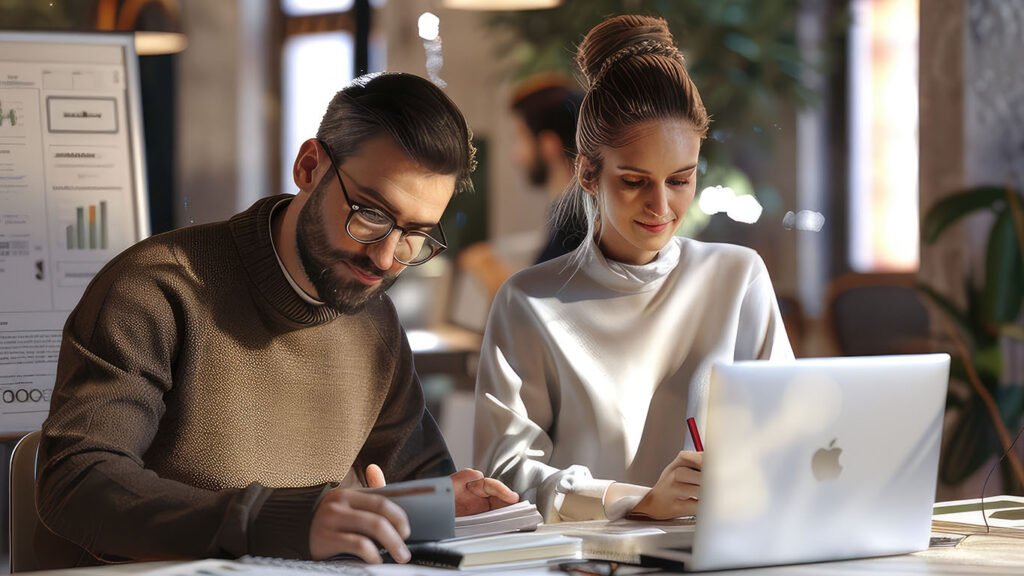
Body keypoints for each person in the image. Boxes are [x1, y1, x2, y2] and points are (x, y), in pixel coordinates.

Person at [36, 72, 517, 569]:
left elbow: (415, 479)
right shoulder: (157, 288)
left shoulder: (375, 323)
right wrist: (278, 520)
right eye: (371, 214)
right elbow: (77, 484)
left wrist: (441, 503)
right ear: (310, 167)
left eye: (415, 233)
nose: (386, 256)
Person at [473, 15, 794, 523]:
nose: (661, 206)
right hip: (587, 558)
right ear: (587, 171)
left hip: (726, 548)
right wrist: (635, 500)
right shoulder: (529, 302)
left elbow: (791, 436)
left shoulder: (738, 277)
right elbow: (504, 475)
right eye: (634, 181)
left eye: (680, 180)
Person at [458, 75, 586, 300]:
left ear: (548, 145)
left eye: (521, 138)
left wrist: (491, 274)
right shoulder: (571, 212)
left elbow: (546, 306)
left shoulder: (576, 220)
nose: (516, 156)